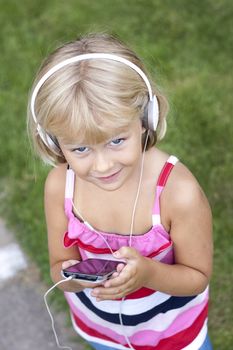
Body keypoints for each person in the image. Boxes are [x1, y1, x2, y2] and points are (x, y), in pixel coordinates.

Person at [27, 33, 213, 350]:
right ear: (53, 142)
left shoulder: (177, 193)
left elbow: (196, 276)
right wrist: (75, 277)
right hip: (103, 333)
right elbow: (61, 264)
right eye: (81, 148)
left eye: (116, 141)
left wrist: (148, 274)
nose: (102, 165)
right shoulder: (61, 187)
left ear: (145, 118)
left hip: (174, 337)